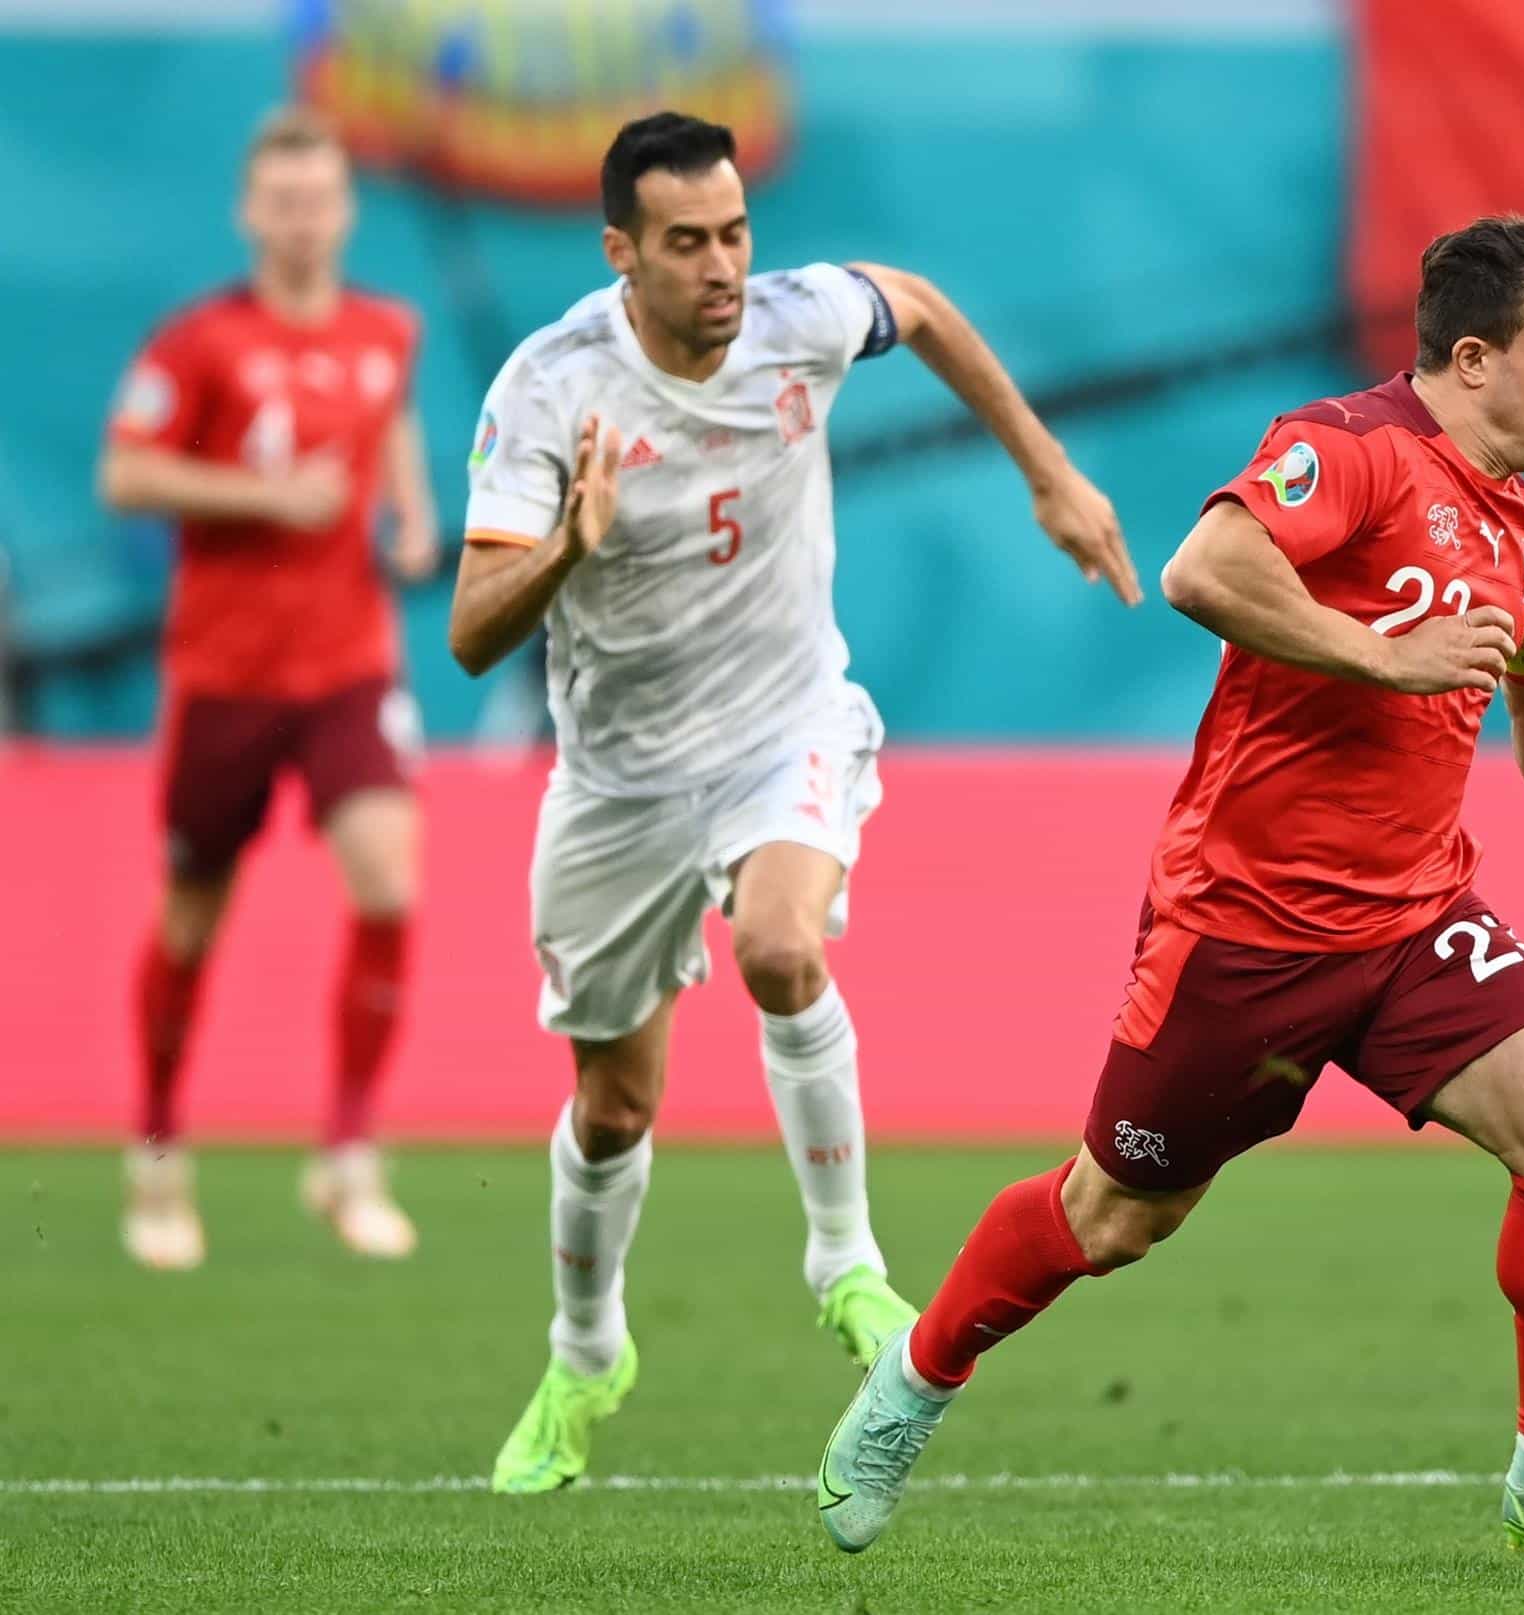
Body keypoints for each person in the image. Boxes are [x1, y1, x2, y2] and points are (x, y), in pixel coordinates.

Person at [817, 214, 1524, 1573]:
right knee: (1115, 1215)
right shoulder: (1349, 447)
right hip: (1247, 928)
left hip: (1415, 921)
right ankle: (912, 1379)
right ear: (1471, 356)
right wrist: (1382, 657)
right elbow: (1204, 568)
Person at [447, 111, 1139, 1495]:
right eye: (688, 242)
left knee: (781, 944)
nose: (722, 267)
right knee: (613, 1105)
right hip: (620, 778)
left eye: (735, 233)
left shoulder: (798, 320)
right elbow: (470, 627)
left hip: (784, 723)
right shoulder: (548, 389)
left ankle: (848, 1267)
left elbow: (925, 307)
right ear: (622, 252)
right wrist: (564, 553)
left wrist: (1050, 473)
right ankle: (587, 1352)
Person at [100, 108, 437, 1271]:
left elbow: (386, 425)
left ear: (346, 209)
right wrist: (263, 497)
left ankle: (347, 1152)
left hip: (346, 664)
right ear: (252, 213)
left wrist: (415, 515)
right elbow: (125, 470)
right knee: (194, 913)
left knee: (390, 880)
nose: (302, 219)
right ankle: (155, 1148)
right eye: (282, 200)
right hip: (226, 673)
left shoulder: (389, 328)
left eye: (320, 197)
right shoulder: (195, 344)